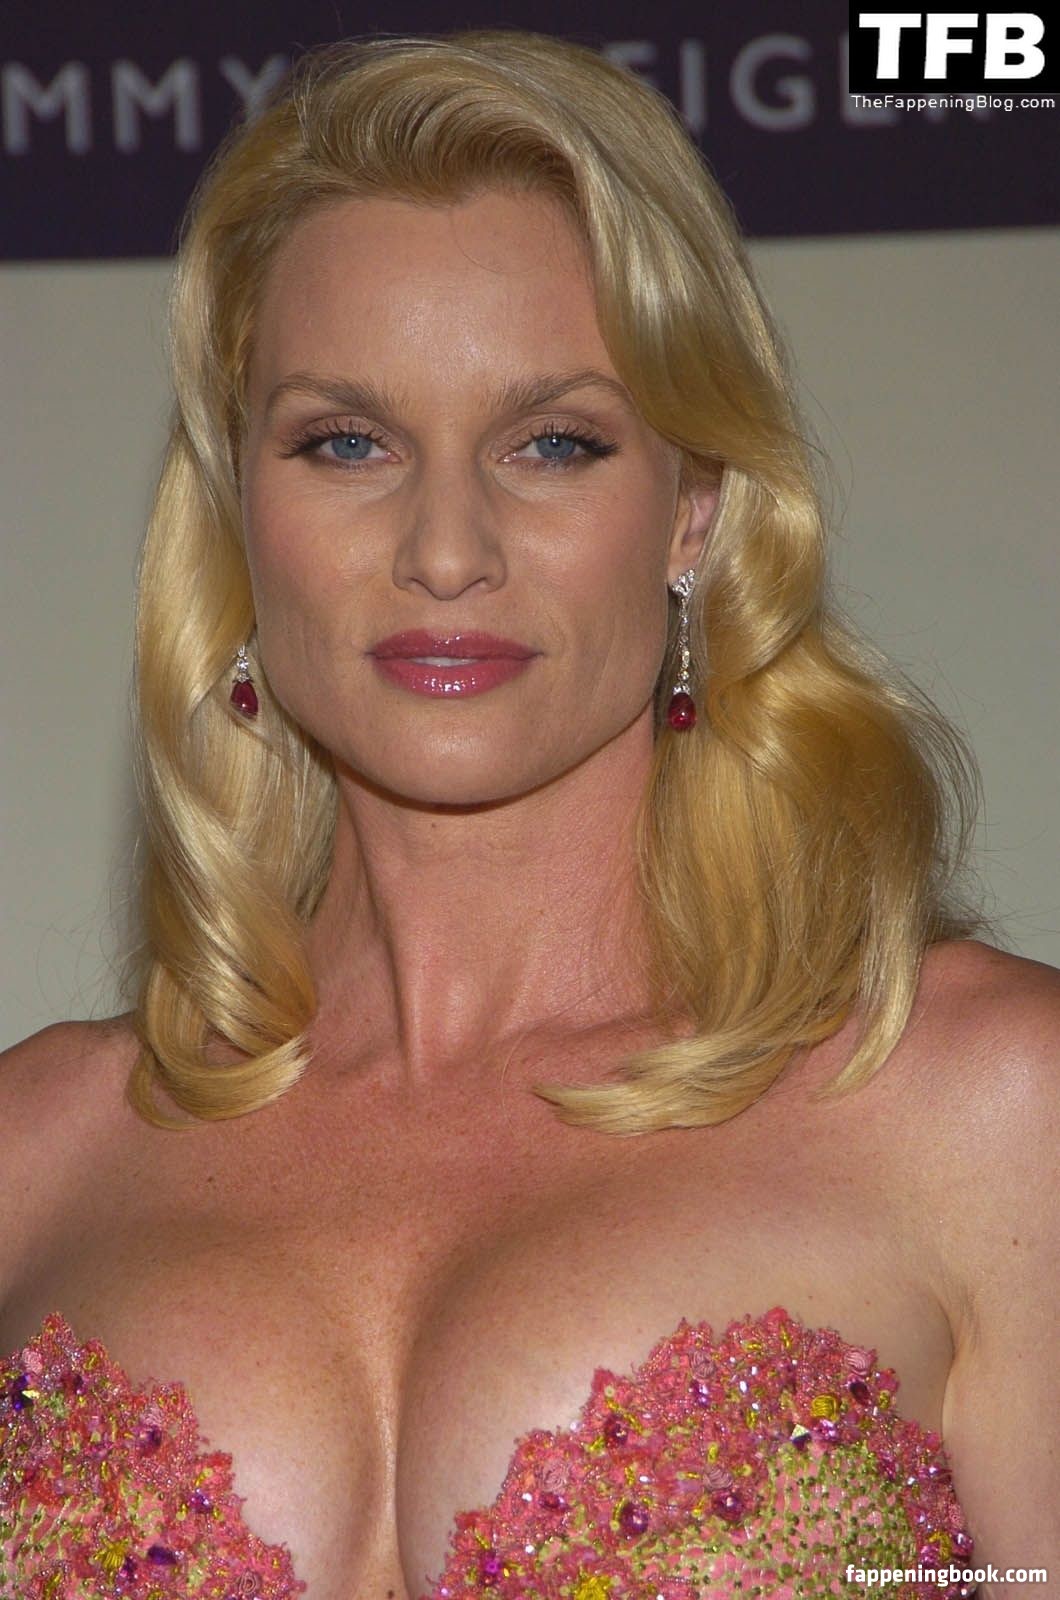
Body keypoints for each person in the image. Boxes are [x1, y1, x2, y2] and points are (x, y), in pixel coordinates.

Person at [0, 27, 1056, 1600]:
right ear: (240, 510)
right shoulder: (36, 1157)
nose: (446, 548)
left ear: (692, 509)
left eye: (554, 443)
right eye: (346, 442)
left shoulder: (989, 1111)